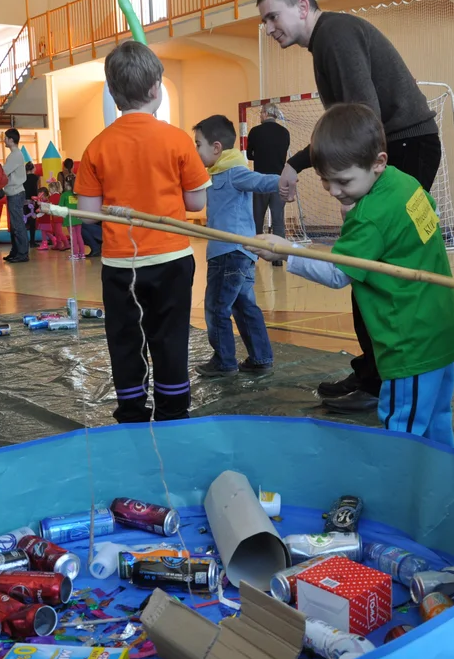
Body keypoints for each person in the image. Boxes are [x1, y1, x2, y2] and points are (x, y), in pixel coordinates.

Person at [257, 0, 442, 414]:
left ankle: (383, 377)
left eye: (273, 17)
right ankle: (374, 372)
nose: (269, 29)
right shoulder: (327, 40)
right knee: (366, 270)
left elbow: (362, 121)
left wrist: (356, 193)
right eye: (264, 22)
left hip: (401, 145)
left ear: (302, 7)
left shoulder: (335, 35)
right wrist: (297, 163)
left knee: (368, 268)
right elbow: (349, 127)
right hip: (390, 147)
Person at [251, 104, 454, 445]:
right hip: (442, 330)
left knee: (403, 433)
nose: (333, 190)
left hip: (411, 344)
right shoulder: (405, 183)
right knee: (436, 423)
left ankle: (402, 480)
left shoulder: (370, 216)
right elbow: (430, 212)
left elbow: (338, 274)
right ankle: (441, 476)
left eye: (343, 181)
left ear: (378, 162)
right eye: (325, 180)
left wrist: (287, 252)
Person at [74, 40, 210, 423]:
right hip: (171, 260)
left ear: (113, 92)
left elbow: (88, 216)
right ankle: (173, 411)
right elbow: (196, 203)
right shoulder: (178, 139)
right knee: (170, 337)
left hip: (121, 266)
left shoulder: (97, 146)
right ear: (155, 89)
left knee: (125, 340)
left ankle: (132, 412)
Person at [192, 114, 278, 377]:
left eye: (198, 144)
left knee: (216, 307)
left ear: (216, 148)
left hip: (229, 254)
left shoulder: (233, 172)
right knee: (244, 306)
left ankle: (225, 361)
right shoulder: (214, 173)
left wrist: (284, 181)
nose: (196, 150)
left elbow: (259, 181)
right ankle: (260, 358)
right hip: (237, 254)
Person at [247, 102, 291, 246]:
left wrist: (260, 155)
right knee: (278, 220)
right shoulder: (285, 133)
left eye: (261, 113)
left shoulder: (255, 132)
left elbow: (249, 155)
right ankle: (279, 252)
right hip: (278, 181)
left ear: (265, 114)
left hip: (260, 181)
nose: (260, 115)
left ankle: (255, 252)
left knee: (257, 219)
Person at [1, 129, 30, 263]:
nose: (4, 140)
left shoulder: (15, 155)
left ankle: (22, 253)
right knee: (14, 225)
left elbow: (4, 171)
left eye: (6, 138)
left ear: (11, 140)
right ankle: (16, 251)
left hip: (15, 192)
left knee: (18, 224)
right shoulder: (15, 154)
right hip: (14, 192)